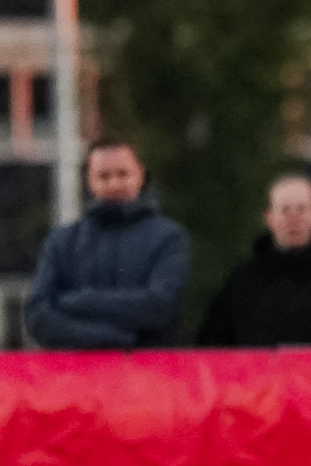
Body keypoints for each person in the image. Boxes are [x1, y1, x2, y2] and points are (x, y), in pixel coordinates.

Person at [26, 138, 189, 350]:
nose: (114, 184)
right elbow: (38, 316)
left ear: (141, 175)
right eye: (104, 176)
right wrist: (111, 339)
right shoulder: (62, 241)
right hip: (75, 375)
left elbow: (161, 306)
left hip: (149, 374)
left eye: (123, 174)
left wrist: (80, 302)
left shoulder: (169, 237)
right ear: (89, 181)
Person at [196, 174, 311, 347]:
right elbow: (213, 345)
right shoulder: (242, 281)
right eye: (285, 210)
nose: (293, 219)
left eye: (301, 209)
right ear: (269, 218)